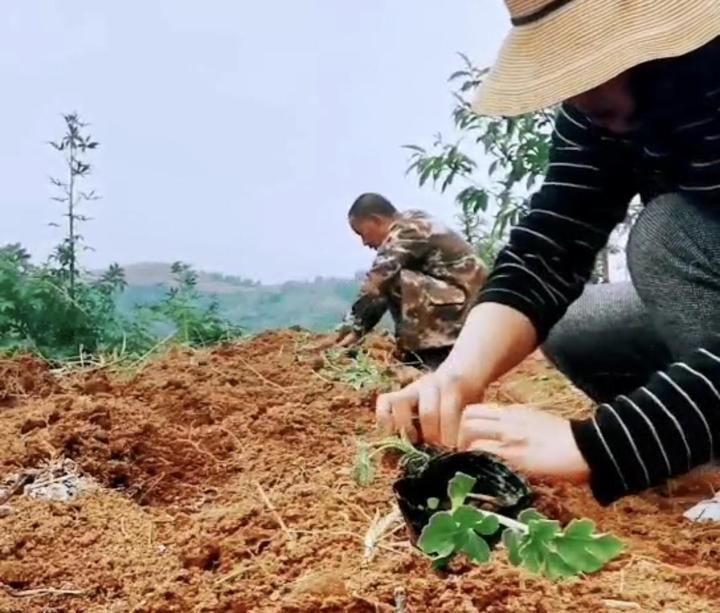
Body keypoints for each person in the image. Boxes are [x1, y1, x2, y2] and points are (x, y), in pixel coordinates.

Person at [376, 0, 720, 507]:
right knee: (580, 327)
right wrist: (459, 373)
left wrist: (604, 446)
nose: (581, 96)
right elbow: (551, 244)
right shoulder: (598, 116)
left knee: (668, 234)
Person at [334, 193, 486, 371]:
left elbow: (376, 282)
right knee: (390, 280)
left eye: (362, 233)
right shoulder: (411, 221)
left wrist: (345, 328)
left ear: (375, 220)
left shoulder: (408, 230)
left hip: (468, 307)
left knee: (395, 279)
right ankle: (421, 353)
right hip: (464, 301)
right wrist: (357, 330)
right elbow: (377, 293)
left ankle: (432, 355)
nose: (364, 242)